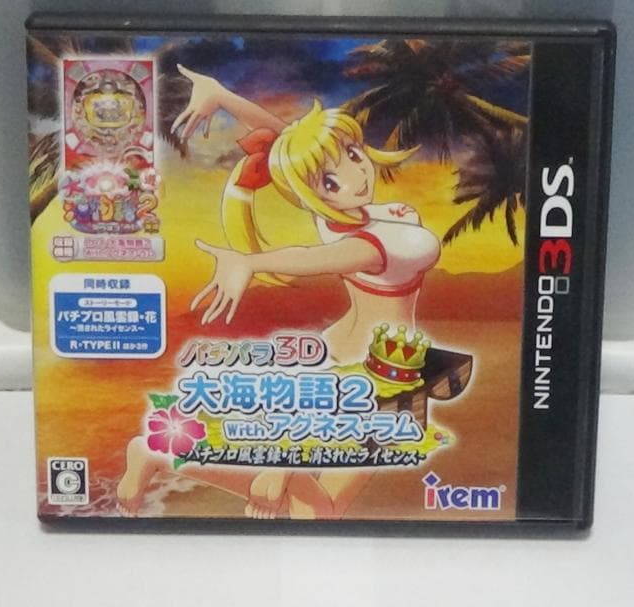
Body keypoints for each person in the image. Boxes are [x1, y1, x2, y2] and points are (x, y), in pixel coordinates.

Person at [116, 65, 441, 518]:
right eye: (330, 180)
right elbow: (314, 256)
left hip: (361, 361)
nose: (355, 175)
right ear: (313, 192)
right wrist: (252, 262)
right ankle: (269, 462)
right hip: (369, 374)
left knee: (317, 511)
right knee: (319, 512)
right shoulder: (380, 241)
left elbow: (287, 143)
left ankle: (167, 456)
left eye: (352, 153)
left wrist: (222, 95)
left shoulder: (337, 214)